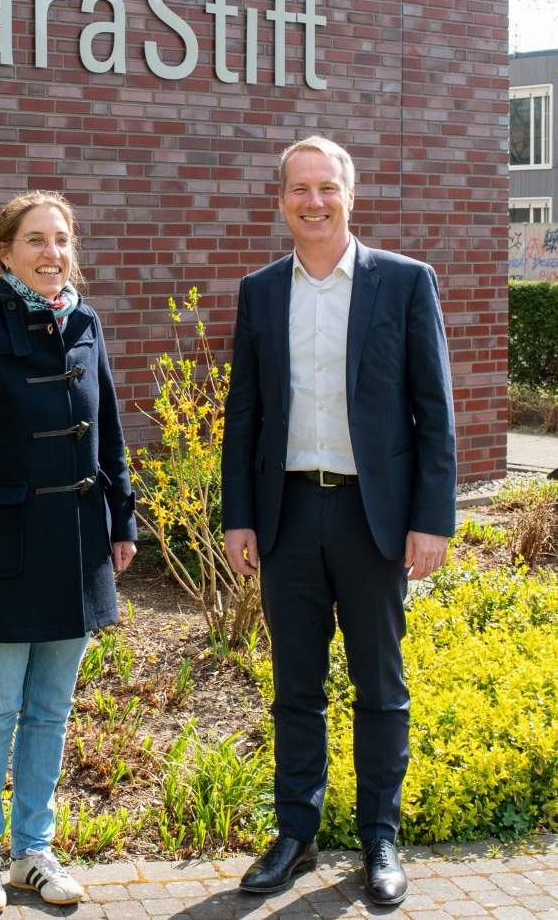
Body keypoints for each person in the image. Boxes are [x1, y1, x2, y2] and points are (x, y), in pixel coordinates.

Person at [222, 136, 456, 905]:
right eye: (299, 189)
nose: (313, 201)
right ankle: (296, 834)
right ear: (280, 199)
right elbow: (245, 413)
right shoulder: (260, 292)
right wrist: (239, 517)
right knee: (296, 685)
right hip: (288, 512)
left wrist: (433, 519)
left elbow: (434, 412)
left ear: (351, 194)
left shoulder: (405, 283)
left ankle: (380, 839)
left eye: (327, 187)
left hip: (372, 515)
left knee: (379, 685)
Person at [0, 191, 137, 914]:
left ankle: (32, 852)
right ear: (5, 251)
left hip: (77, 549)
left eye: (62, 239)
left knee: (50, 710)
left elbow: (108, 433)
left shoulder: (85, 323)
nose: (52, 253)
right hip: (1, 552)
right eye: (36, 240)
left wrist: (122, 521)